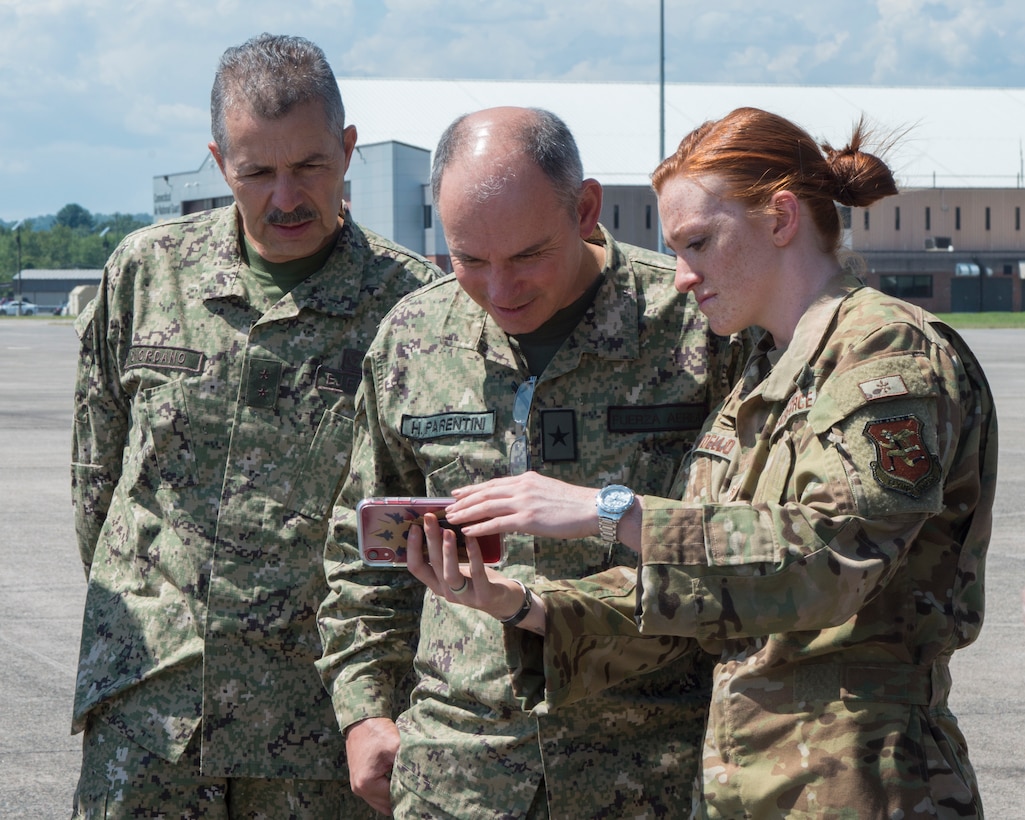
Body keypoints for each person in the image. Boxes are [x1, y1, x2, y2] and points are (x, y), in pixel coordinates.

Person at [419, 106, 998, 818]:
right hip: (757, 783)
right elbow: (713, 589)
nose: (682, 277)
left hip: (868, 782)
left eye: (698, 243)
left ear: (780, 218)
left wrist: (611, 512)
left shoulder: (884, 356)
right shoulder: (761, 373)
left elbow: (835, 558)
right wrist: (526, 607)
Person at [316, 106, 750, 818]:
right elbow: (362, 548)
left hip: (653, 765)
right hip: (461, 768)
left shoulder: (695, 325)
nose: (498, 290)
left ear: (584, 208)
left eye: (526, 256)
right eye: (468, 260)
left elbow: (750, 538)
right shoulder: (413, 338)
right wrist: (364, 710)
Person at [69, 33, 440, 818]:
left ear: (348, 150)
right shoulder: (145, 273)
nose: (285, 198)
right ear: (217, 161)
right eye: (256, 172)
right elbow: (96, 484)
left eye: (309, 166)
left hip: (320, 731)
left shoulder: (415, 310)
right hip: (151, 715)